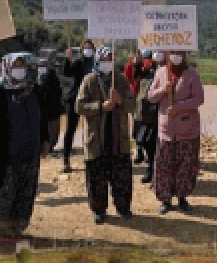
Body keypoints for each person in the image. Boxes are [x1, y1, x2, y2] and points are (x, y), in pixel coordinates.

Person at [0, 53, 50, 236]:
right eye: (16, 65)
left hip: (29, 153)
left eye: (22, 65)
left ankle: (17, 228)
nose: (20, 69)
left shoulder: (33, 89)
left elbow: (41, 117)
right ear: (7, 67)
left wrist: (45, 140)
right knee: (2, 195)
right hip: (5, 155)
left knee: (25, 193)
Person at [77, 46, 137, 224]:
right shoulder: (89, 81)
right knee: (97, 178)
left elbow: (133, 106)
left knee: (122, 178)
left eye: (110, 59)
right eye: (104, 59)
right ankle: (99, 209)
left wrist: (120, 101)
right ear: (97, 60)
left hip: (119, 140)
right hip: (97, 140)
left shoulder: (121, 80)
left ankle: (123, 207)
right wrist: (100, 107)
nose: (107, 62)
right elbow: (79, 107)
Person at [147, 50, 204, 214]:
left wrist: (179, 107)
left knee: (185, 165)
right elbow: (150, 97)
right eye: (173, 52)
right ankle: (165, 200)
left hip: (188, 130)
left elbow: (199, 98)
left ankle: (182, 198)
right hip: (166, 130)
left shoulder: (191, 74)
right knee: (164, 165)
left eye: (179, 53)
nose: (176, 56)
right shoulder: (161, 72)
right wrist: (163, 90)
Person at [61, 39, 97, 173]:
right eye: (86, 48)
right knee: (70, 129)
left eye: (90, 48)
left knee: (92, 130)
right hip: (75, 99)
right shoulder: (78, 62)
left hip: (91, 99)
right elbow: (67, 72)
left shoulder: (96, 63)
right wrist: (67, 59)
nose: (88, 50)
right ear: (82, 50)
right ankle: (65, 159)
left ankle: (91, 158)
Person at [124, 50, 157, 168]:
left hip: (148, 102)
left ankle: (148, 155)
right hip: (136, 99)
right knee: (138, 126)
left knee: (146, 129)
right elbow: (129, 78)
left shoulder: (152, 64)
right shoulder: (130, 65)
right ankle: (139, 152)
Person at [35, 56, 64, 160]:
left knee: (53, 130)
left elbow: (58, 92)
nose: (41, 68)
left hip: (53, 109)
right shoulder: (37, 79)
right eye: (40, 66)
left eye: (43, 66)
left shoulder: (53, 77)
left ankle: (51, 147)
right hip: (41, 110)